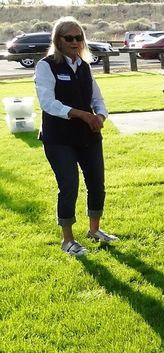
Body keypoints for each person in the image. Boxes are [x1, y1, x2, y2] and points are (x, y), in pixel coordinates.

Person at [35, 16, 116, 256]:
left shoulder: (84, 66)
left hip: (88, 137)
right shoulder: (46, 66)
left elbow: (97, 100)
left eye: (79, 37)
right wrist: (81, 114)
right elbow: (48, 102)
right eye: (68, 37)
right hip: (59, 138)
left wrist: (100, 116)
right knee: (69, 185)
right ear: (57, 40)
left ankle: (94, 230)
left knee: (97, 184)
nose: (74, 42)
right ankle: (68, 240)